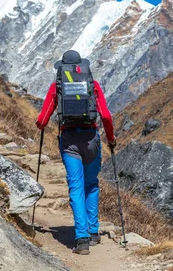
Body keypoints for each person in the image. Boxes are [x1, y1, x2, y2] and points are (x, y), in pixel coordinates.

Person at [35, 50, 116, 255]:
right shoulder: (93, 86)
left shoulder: (57, 87)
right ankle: (94, 231)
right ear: (82, 67)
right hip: (92, 140)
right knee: (91, 184)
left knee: (76, 187)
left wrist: (40, 124)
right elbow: (105, 116)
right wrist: (111, 138)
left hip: (69, 140)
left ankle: (82, 239)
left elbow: (43, 119)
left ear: (61, 68)